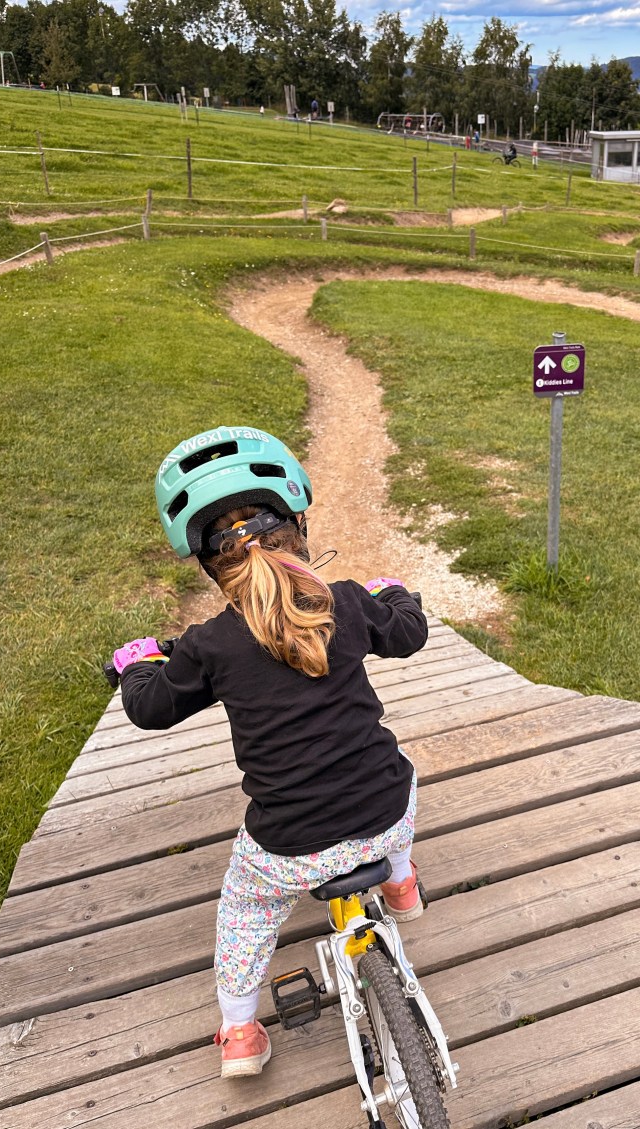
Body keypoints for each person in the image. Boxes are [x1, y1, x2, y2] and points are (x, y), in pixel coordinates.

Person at [112, 426, 428, 1080]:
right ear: (298, 527)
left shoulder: (207, 647)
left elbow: (150, 706)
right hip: (383, 812)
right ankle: (399, 882)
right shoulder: (344, 602)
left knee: (245, 907)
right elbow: (407, 631)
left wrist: (137, 664)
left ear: (209, 563)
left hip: (290, 846)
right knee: (399, 773)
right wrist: (393, 593)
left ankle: (238, 1033)